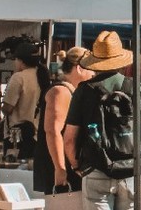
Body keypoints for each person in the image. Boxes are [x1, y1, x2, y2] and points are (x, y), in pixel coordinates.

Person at [63, 31, 141, 210]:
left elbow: (69, 138)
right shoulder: (137, 88)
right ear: (121, 62)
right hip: (131, 169)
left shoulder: (83, 91)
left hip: (96, 168)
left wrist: (77, 166)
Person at [33, 47, 94, 194]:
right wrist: (60, 169)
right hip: (60, 164)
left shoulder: (72, 91)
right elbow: (52, 131)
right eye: (91, 69)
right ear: (79, 68)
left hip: (68, 162)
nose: (93, 74)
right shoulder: (61, 91)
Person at [3, 42, 49, 160]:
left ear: (21, 61)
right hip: (37, 133)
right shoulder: (42, 75)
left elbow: (8, 108)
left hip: (17, 134)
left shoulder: (18, 77)